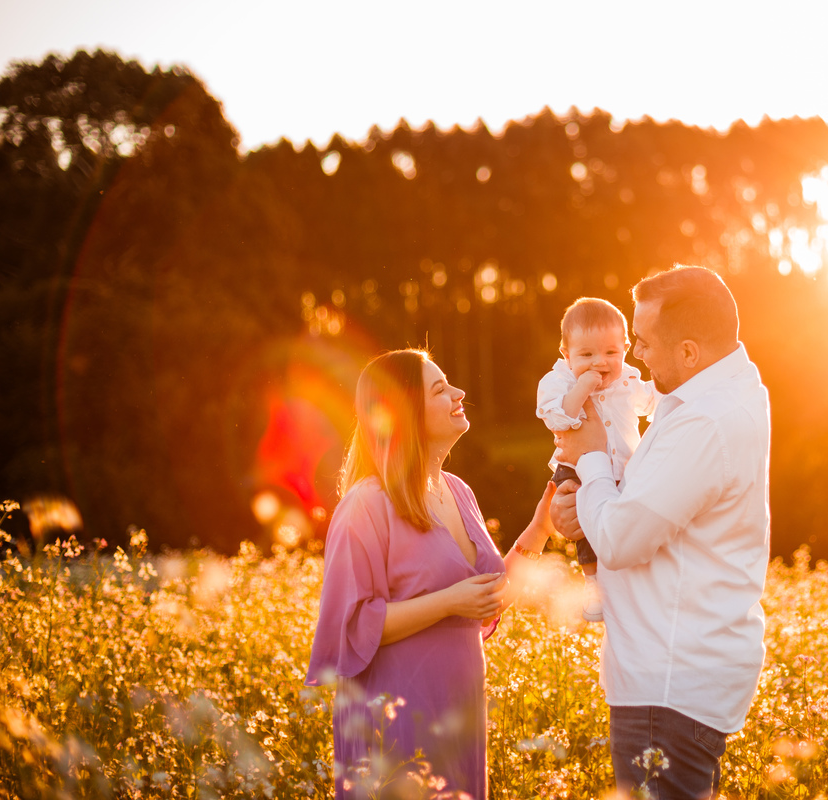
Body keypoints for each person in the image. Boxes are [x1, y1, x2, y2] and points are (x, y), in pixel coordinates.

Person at [552, 266, 771, 800]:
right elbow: (639, 511)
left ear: (690, 352)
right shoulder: (720, 393)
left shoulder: (705, 420)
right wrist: (584, 507)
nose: (636, 357)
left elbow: (621, 541)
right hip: (676, 679)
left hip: (667, 685)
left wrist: (591, 458)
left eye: (644, 343)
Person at [305, 349, 555, 800]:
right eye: (440, 389)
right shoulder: (366, 504)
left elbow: (486, 598)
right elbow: (350, 627)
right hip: (398, 711)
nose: (459, 393)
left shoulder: (459, 492)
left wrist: (539, 530)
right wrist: (448, 602)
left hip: (459, 710)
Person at [535, 297, 657, 621]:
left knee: (625, 525)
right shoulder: (559, 380)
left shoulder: (627, 379)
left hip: (625, 468)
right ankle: (592, 582)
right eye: (587, 355)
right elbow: (558, 418)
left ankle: (631, 583)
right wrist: (583, 386)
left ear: (626, 349)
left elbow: (650, 401)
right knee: (585, 520)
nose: (600, 363)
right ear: (566, 354)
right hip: (576, 466)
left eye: (610, 353)